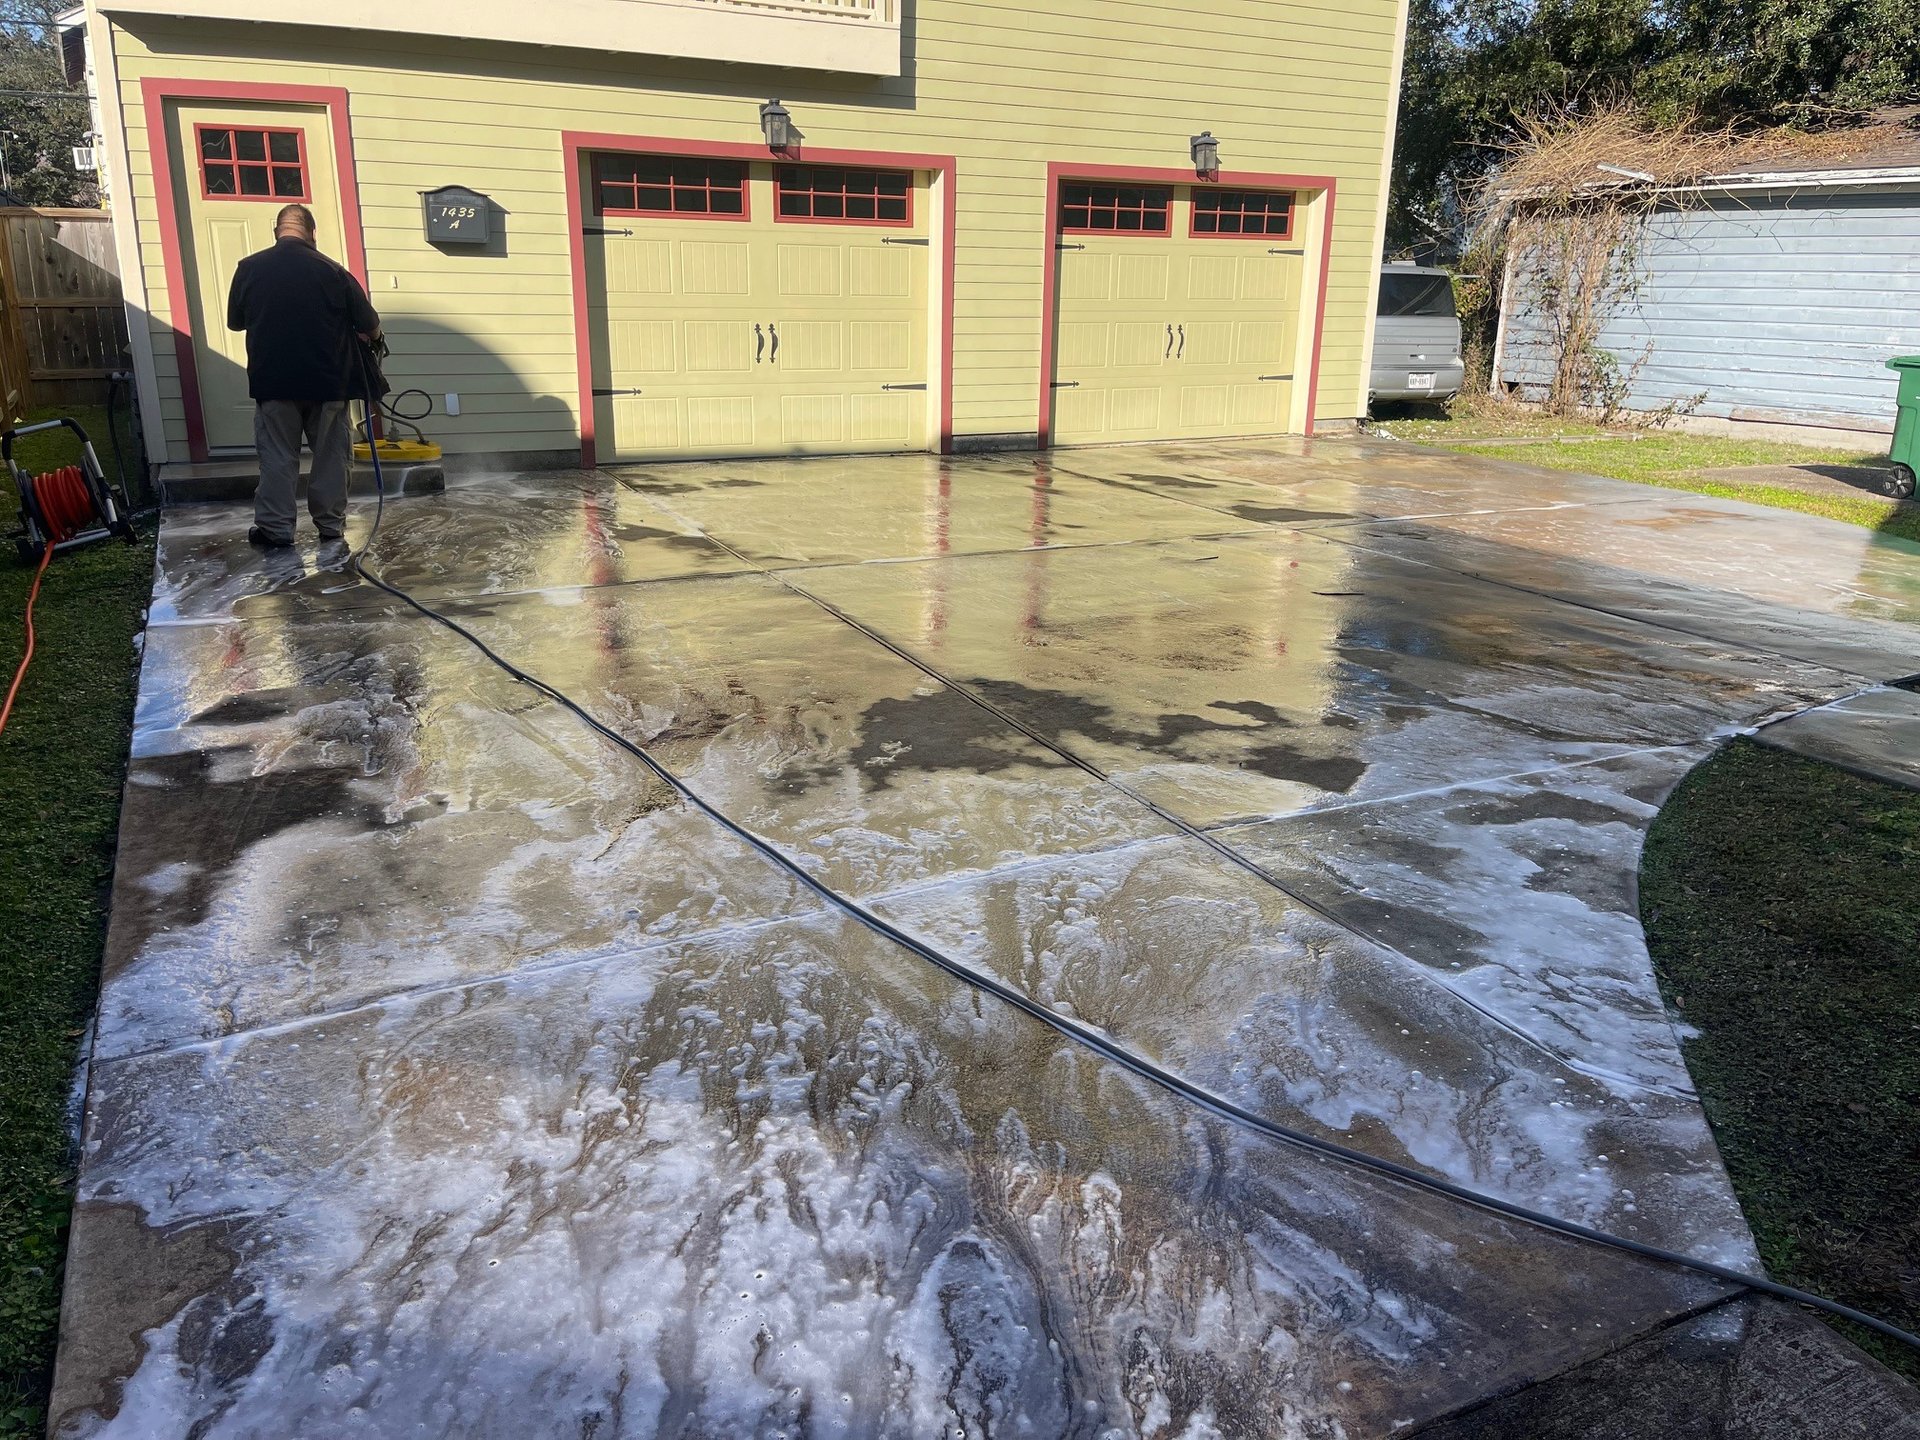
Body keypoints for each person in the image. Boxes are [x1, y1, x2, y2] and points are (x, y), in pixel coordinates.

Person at [225, 202, 381, 548]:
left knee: (278, 457)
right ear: (312, 234)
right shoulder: (333, 271)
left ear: (277, 232)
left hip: (274, 382)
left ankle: (276, 531)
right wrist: (370, 336)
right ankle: (330, 527)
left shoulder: (249, 268)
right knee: (330, 455)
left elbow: (235, 322)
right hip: (328, 384)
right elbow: (370, 325)